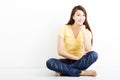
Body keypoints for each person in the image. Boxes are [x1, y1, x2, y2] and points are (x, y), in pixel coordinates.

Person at [46, 5, 98, 77]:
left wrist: (83, 31)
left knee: (94, 54)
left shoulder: (87, 32)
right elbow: (60, 51)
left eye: (83, 15)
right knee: (50, 62)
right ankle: (81, 72)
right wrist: (76, 58)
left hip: (79, 62)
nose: (81, 18)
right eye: (78, 15)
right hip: (65, 60)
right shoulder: (64, 28)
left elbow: (88, 50)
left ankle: (63, 71)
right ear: (73, 17)